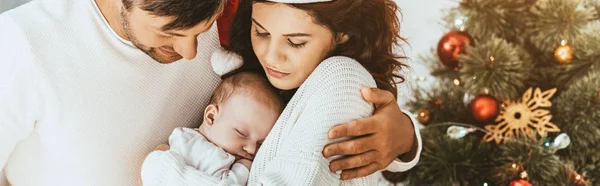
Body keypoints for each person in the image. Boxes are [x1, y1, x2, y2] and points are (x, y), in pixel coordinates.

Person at [0, 0, 418, 185]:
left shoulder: (233, 23)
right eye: (170, 34)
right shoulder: (22, 45)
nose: (190, 52)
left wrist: (404, 136)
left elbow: (299, 120)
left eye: (200, 32)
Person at [143, 0, 423, 185]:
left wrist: (407, 137)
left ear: (342, 34)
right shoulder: (241, 74)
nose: (272, 56)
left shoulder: (344, 79)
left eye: (295, 42)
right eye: (261, 32)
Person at [140, 72, 283, 186]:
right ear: (211, 117)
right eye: (241, 133)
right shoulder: (183, 140)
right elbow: (155, 169)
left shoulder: (236, 166)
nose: (251, 150)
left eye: (260, 144)